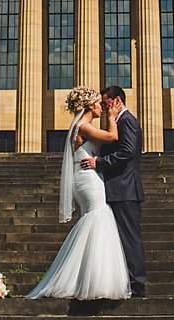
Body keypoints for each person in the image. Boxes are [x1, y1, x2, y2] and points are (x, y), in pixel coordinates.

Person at [25, 86, 131, 300]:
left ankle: (88, 279)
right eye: (99, 104)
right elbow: (112, 137)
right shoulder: (83, 126)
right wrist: (112, 117)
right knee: (99, 217)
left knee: (94, 220)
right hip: (88, 180)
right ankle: (93, 282)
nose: (103, 107)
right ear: (91, 105)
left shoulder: (82, 126)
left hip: (87, 178)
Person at [81, 85, 146, 298]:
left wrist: (99, 163)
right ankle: (127, 283)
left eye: (107, 103)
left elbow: (127, 151)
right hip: (117, 189)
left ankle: (137, 286)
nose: (105, 108)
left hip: (125, 189)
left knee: (129, 239)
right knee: (121, 240)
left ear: (117, 101)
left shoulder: (127, 121)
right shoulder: (118, 122)